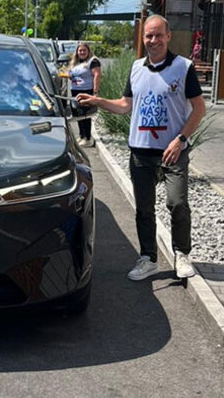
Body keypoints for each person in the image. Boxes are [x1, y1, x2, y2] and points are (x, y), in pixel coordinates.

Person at [77, 15, 206, 281]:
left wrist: (181, 139)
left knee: (177, 203)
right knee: (144, 209)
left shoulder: (183, 67)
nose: (153, 40)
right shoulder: (136, 67)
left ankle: (182, 254)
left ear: (168, 36)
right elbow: (126, 105)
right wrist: (98, 101)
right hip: (141, 151)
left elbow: (199, 108)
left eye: (158, 35)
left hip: (173, 150)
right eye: (148, 35)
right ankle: (148, 258)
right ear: (143, 38)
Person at [68, 42, 101, 146]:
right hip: (75, 90)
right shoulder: (76, 62)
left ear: (88, 51)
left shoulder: (93, 61)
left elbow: (97, 75)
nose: (82, 52)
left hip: (86, 91)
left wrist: (95, 92)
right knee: (78, 115)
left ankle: (88, 138)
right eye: (80, 50)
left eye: (84, 50)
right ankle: (82, 135)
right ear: (77, 52)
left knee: (85, 115)